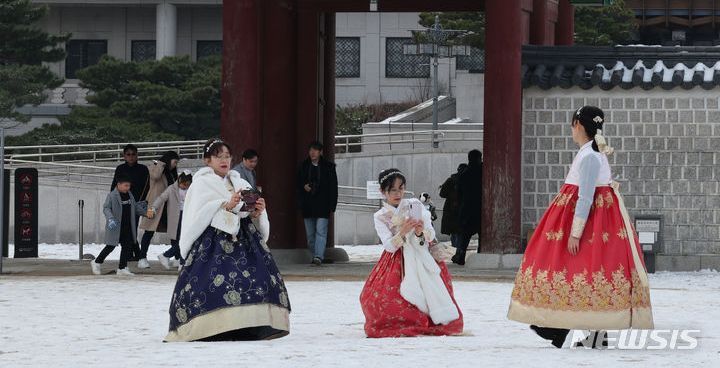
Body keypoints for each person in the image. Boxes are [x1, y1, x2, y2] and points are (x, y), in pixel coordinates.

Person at [507, 106, 654, 349]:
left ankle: (569, 329)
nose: (571, 130)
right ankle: (566, 329)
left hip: (589, 223)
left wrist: (575, 233)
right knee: (583, 271)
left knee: (580, 269)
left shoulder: (589, 156)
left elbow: (585, 197)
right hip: (595, 220)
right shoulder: (592, 153)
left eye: (573, 124)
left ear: (579, 125)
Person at [164, 138, 290, 342]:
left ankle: (251, 325)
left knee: (256, 280)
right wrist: (225, 205)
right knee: (211, 284)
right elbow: (197, 215)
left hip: (245, 240)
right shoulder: (201, 184)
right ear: (208, 160)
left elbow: (249, 212)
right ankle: (211, 328)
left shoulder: (240, 182)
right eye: (218, 156)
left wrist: (257, 212)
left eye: (227, 156)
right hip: (212, 242)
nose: (224, 160)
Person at [359, 169, 463, 338]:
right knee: (385, 297)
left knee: (431, 289)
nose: (398, 193)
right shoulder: (380, 216)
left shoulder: (414, 204)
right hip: (396, 259)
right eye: (392, 190)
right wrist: (402, 232)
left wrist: (420, 232)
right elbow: (388, 246)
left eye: (401, 188)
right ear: (382, 192)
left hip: (421, 253)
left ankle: (431, 319)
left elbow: (431, 235)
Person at [92, 175, 148, 276]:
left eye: (129, 186)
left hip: (128, 226)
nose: (128, 188)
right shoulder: (112, 195)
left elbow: (135, 207)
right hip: (115, 226)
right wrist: (110, 218)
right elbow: (106, 208)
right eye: (126, 185)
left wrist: (146, 213)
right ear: (118, 185)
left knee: (127, 247)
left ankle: (122, 268)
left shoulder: (129, 195)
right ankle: (96, 262)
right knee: (110, 246)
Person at [296, 141, 338, 265]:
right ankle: (316, 255)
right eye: (311, 150)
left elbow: (333, 186)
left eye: (315, 150)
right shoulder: (303, 166)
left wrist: (333, 204)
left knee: (321, 231)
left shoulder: (329, 167)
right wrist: (304, 187)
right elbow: (297, 184)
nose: (312, 153)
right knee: (310, 235)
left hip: (323, 204)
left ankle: (318, 257)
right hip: (308, 204)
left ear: (320, 152)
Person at [138, 151, 179, 269]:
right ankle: (142, 258)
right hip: (155, 205)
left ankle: (176, 258)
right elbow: (155, 176)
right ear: (168, 160)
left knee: (174, 232)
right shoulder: (156, 167)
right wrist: (161, 163)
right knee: (149, 232)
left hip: (169, 206)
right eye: (174, 162)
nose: (175, 165)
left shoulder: (172, 173)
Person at [110, 144, 149, 261]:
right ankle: (132, 254)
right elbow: (114, 186)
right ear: (124, 156)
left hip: (137, 204)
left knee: (132, 229)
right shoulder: (120, 169)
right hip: (122, 205)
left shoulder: (143, 169)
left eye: (133, 154)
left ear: (137, 156)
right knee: (125, 229)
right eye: (128, 154)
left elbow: (147, 187)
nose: (131, 157)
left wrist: (143, 202)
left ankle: (135, 254)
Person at [151, 170, 192, 270]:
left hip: (187, 216)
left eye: (187, 184)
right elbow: (161, 198)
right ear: (179, 180)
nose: (184, 186)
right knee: (180, 241)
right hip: (175, 218)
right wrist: (153, 208)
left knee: (185, 240)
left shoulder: (193, 189)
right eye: (183, 184)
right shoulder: (172, 189)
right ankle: (172, 258)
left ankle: (176, 259)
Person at [452, 150, 483, 266]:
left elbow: (458, 194)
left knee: (464, 236)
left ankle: (460, 255)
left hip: (466, 209)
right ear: (479, 158)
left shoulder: (464, 174)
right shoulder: (483, 171)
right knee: (483, 236)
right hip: (480, 208)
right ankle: (481, 255)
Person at [439, 163, 467, 249]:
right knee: (460, 232)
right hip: (461, 210)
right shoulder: (467, 181)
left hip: (452, 210)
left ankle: (455, 250)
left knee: (455, 232)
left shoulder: (451, 180)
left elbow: (442, 194)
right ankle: (458, 250)